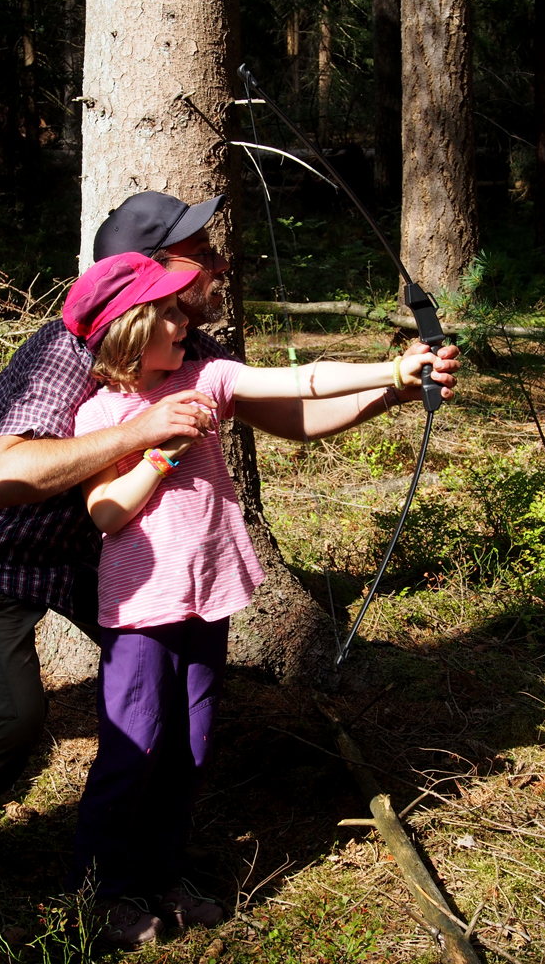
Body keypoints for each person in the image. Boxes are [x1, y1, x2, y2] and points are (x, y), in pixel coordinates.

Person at [0, 188, 462, 912]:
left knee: (165, 716)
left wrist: (397, 383)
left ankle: (148, 865)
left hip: (103, 550)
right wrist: (144, 437)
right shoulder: (68, 350)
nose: (220, 264)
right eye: (199, 255)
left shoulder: (187, 346)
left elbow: (289, 408)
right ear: (146, 276)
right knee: (10, 716)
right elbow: (5, 480)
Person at [62, 251, 445, 947]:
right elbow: (107, 515)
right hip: (142, 607)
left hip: (207, 598)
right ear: (128, 327)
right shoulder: (101, 413)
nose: (187, 323)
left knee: (191, 745)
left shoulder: (206, 375)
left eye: (184, 309)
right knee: (134, 746)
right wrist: (157, 452)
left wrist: (394, 372)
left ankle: (164, 875)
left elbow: (301, 381)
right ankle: (104, 890)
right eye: (170, 314)